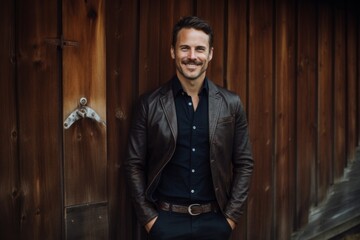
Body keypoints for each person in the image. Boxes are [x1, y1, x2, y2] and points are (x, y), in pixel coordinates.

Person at [125, 16, 254, 240]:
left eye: (199, 49)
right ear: (173, 52)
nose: (192, 56)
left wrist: (230, 218)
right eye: (184, 48)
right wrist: (150, 220)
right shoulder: (149, 104)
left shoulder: (231, 104)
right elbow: (133, 164)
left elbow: (244, 163)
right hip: (165, 222)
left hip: (215, 222)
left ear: (210, 54)